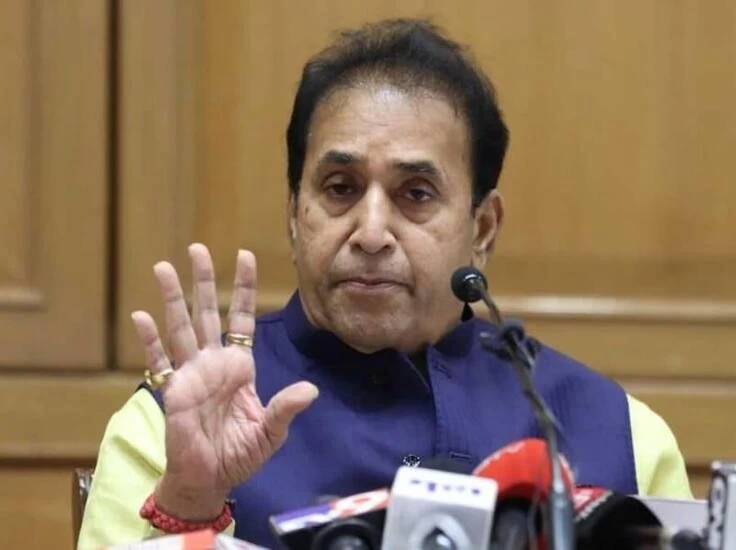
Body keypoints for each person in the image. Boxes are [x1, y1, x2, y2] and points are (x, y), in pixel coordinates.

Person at [77, 18, 691, 549]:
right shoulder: (172, 422)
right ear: (294, 214)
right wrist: (190, 504)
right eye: (340, 188)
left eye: (415, 194)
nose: (371, 232)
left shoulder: (615, 434)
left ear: (481, 227)